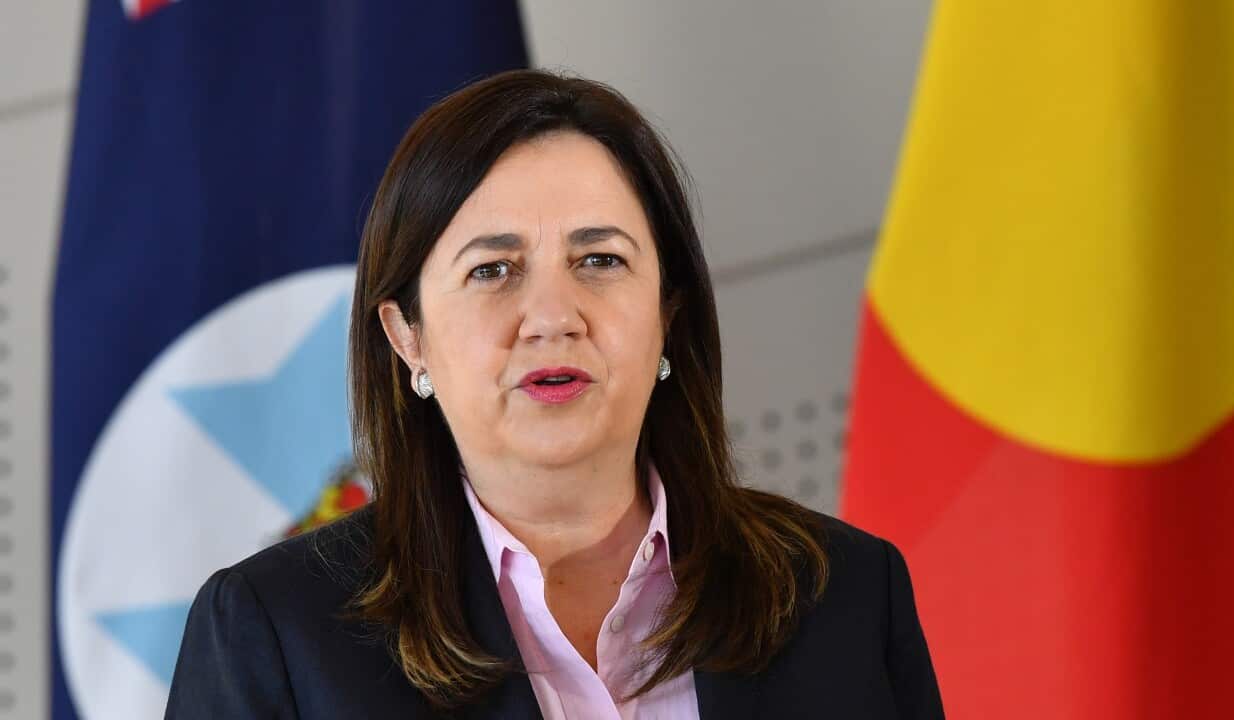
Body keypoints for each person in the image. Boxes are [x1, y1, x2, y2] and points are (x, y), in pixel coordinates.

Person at [165, 69, 945, 719]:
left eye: (600, 260)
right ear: (408, 335)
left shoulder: (843, 594)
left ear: (666, 313)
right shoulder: (277, 635)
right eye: (492, 270)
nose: (552, 317)